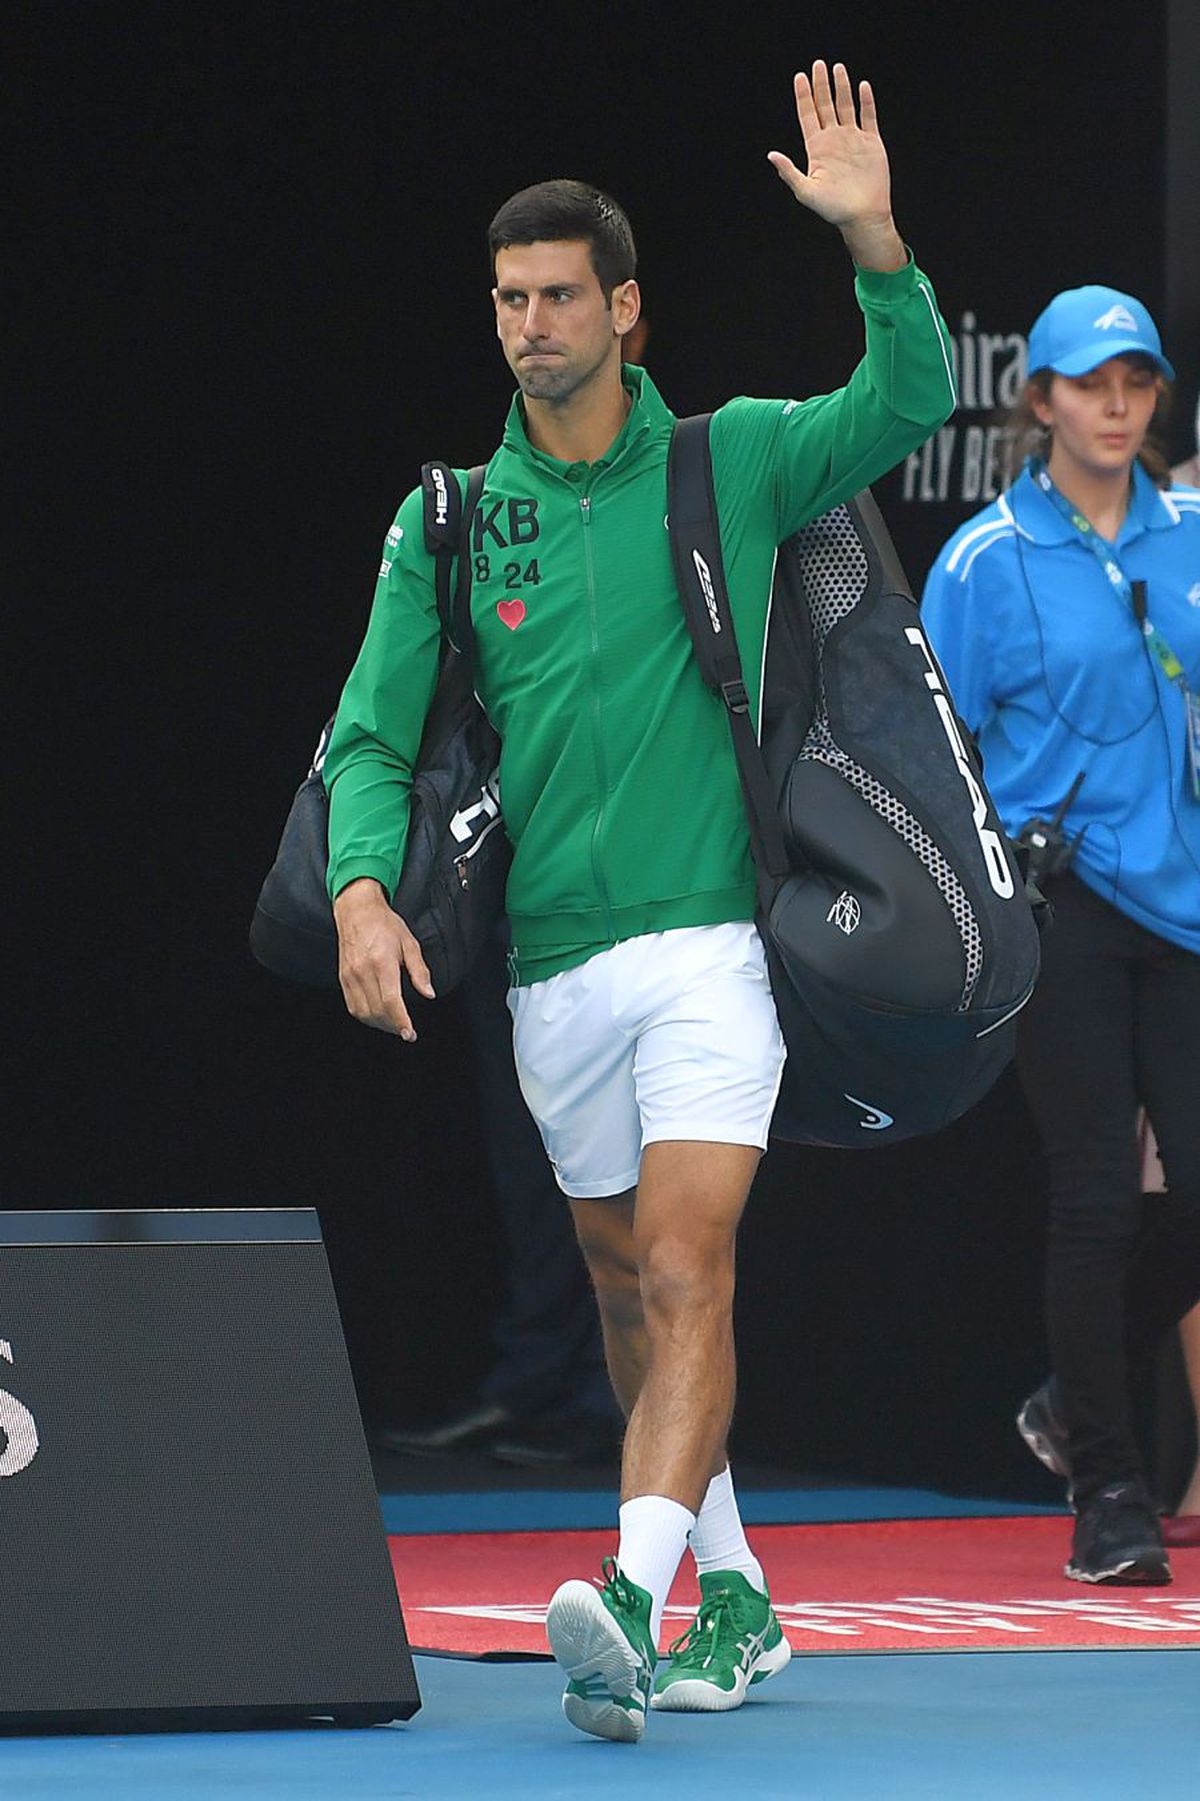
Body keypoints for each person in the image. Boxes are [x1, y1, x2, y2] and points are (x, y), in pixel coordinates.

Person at [324, 61, 955, 1741]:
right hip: (548, 977)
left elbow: (901, 403)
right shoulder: (452, 519)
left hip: (706, 950)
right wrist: (362, 893)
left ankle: (625, 1588)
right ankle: (736, 1597)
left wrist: (875, 239)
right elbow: (375, 730)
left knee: (689, 1265)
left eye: (558, 296)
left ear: (626, 311)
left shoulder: (730, 462)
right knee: (622, 1289)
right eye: (508, 299)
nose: (530, 324)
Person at [921, 285, 1200, 1586]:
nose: (1115, 405)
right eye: (1090, 384)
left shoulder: (1191, 533)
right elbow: (929, 754)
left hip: (1189, 904)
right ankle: (1110, 1488)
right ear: (1039, 399)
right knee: (1094, 1192)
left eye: (1135, 383)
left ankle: (1065, 1403)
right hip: (1063, 906)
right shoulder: (984, 558)